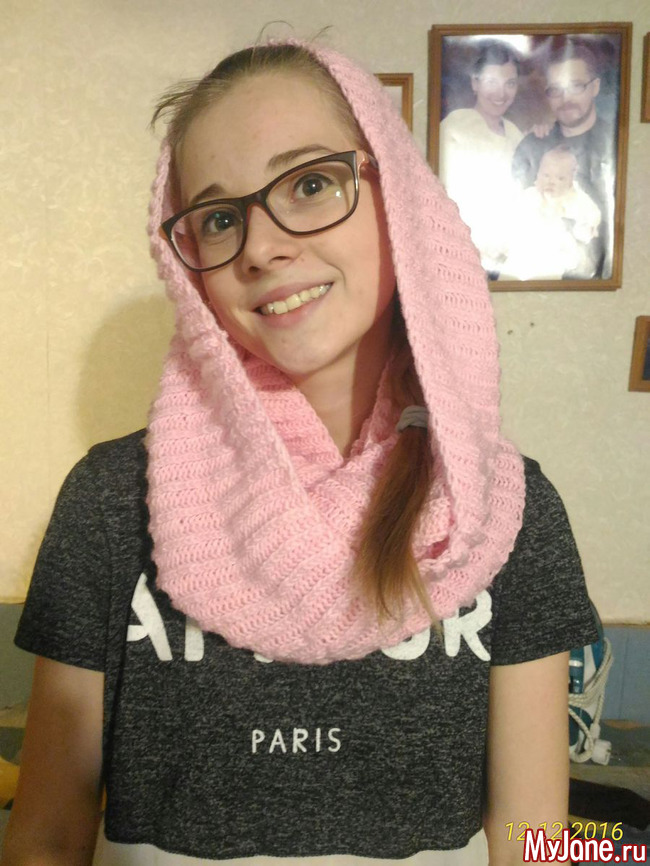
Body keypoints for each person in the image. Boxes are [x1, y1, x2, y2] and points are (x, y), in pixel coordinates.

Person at [2, 38, 598, 866]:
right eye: (219, 218)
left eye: (311, 184)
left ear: (397, 196)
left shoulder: (502, 505)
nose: (261, 247)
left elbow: (536, 841)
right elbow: (46, 835)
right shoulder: (111, 500)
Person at [512, 41, 616, 278]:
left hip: (600, 286)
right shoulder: (532, 146)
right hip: (535, 278)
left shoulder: (615, 145)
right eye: (555, 90)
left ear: (595, 87)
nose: (565, 98)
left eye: (575, 86)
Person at [438, 40, 523, 276]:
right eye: (491, 82)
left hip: (507, 252)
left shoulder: (515, 133)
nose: (501, 93)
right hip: (463, 250)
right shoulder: (456, 126)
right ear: (475, 83)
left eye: (510, 83)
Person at [500, 145, 602, 281]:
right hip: (525, 250)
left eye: (560, 178)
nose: (551, 182)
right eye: (546, 175)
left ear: (572, 180)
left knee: (549, 276)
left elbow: (591, 217)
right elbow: (513, 219)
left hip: (555, 253)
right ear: (538, 174)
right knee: (510, 273)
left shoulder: (577, 199)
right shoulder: (530, 195)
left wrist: (585, 227)